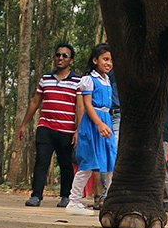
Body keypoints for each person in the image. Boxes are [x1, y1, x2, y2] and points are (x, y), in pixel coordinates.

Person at [16, 42, 81, 207]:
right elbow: (35, 102)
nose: (60, 58)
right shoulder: (45, 79)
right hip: (45, 128)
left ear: (71, 60)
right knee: (41, 161)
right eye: (58, 55)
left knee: (66, 164)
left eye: (64, 56)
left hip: (66, 130)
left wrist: (78, 131)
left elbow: (79, 107)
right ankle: (36, 195)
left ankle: (66, 196)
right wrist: (24, 124)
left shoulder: (77, 81)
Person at [68, 43, 116, 215]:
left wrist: (105, 123)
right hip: (94, 122)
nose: (109, 63)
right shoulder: (88, 80)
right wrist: (99, 124)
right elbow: (87, 104)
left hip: (106, 121)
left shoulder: (107, 79)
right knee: (88, 163)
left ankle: (110, 200)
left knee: (111, 162)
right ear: (95, 60)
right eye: (105, 59)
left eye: (111, 60)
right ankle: (73, 201)